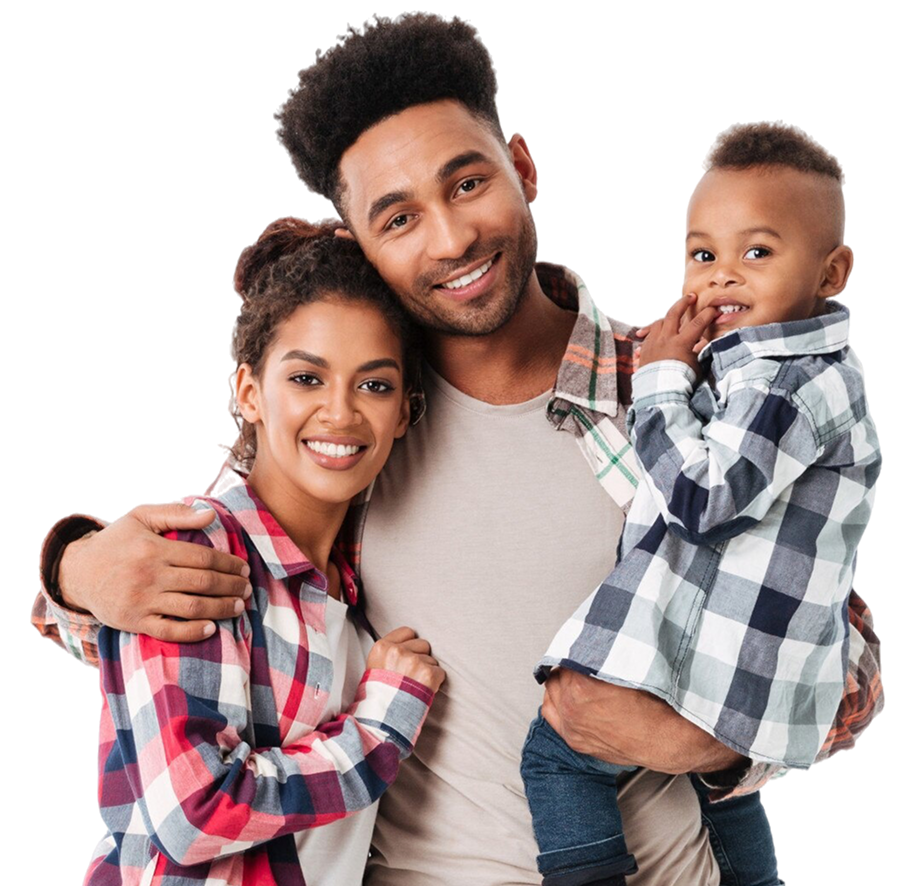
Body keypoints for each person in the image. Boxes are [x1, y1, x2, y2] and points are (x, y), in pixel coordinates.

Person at [32, 13, 883, 886]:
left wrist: (718, 747)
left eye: (468, 183)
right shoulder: (358, 424)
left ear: (522, 168)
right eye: (398, 218)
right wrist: (78, 572)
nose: (450, 238)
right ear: (361, 242)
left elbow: (839, 644)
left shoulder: (675, 386)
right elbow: (201, 601)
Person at [521, 123, 879, 886]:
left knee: (554, 754)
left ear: (833, 269)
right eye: (702, 254)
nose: (720, 278)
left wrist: (659, 379)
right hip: (739, 673)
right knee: (720, 798)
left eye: (757, 252)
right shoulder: (782, 374)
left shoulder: (781, 385)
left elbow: (697, 498)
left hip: (730, 666)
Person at [83, 217, 444, 885]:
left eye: (374, 384)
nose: (340, 413)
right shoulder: (197, 554)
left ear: (403, 413)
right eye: (307, 378)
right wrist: (382, 727)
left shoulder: (359, 577)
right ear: (249, 392)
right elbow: (195, 812)